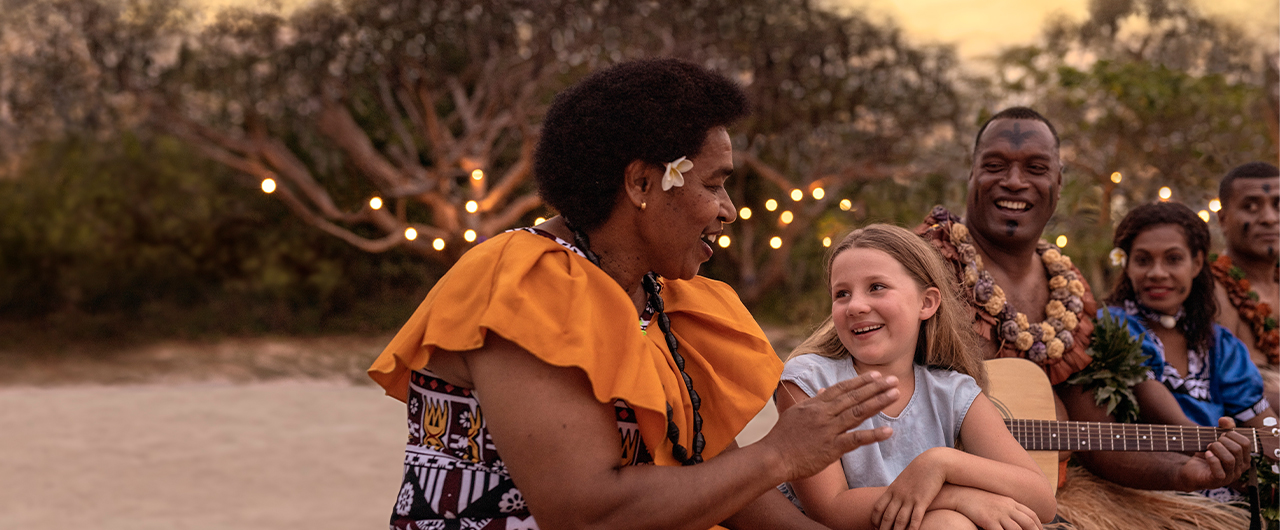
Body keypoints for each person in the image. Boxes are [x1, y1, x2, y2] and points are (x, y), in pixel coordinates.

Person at [366, 58, 901, 530]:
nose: (728, 208)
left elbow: (708, 473)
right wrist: (780, 455)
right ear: (642, 184)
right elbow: (585, 514)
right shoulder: (525, 283)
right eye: (713, 184)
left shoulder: (658, 299)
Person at [914, 106, 1253, 528]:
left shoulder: (1068, 292)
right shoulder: (921, 263)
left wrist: (1183, 473)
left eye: (1036, 167)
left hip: (1041, 492)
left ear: (1058, 182)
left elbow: (1096, 438)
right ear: (971, 174)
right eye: (995, 165)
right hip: (929, 494)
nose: (1015, 181)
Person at [778, 225, 1055, 530]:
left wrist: (941, 463)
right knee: (949, 522)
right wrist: (955, 496)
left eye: (876, 287)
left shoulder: (952, 391)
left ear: (927, 303)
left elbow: (1042, 500)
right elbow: (830, 510)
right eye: (842, 294)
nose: (855, 305)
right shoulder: (808, 381)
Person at [1101, 201, 1277, 502]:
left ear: (1196, 264)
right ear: (1126, 264)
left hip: (1226, 486)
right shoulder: (1111, 326)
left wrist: (1273, 462)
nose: (1157, 273)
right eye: (1143, 260)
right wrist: (1217, 451)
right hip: (1153, 491)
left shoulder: (1220, 344)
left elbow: (1264, 421)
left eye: (1173, 259)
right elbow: (1149, 395)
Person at [1211, 161, 1279, 415]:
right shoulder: (1211, 292)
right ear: (1223, 219)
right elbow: (1220, 391)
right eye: (1250, 207)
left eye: (1278, 205)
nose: (1269, 218)